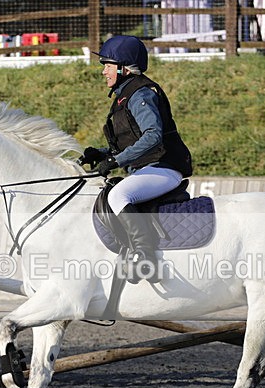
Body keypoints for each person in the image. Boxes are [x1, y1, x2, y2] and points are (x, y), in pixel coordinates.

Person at [80, 35, 193, 283]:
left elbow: (153, 135)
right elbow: (133, 140)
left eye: (108, 66)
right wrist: (103, 154)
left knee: (118, 195)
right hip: (149, 167)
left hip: (164, 168)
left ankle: (145, 257)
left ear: (123, 68)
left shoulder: (141, 93)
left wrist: (117, 161)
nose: (104, 73)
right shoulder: (125, 96)